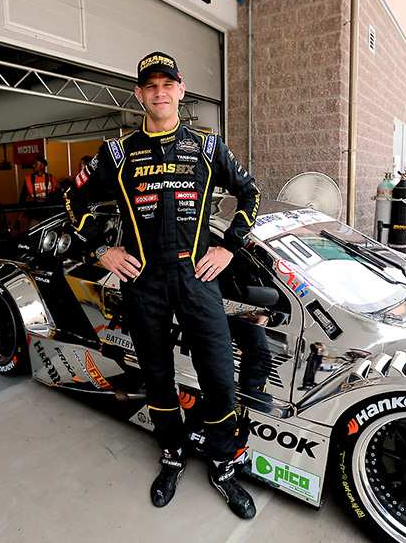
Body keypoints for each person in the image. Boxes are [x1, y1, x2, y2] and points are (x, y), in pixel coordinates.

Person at [65, 51, 261, 519]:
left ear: (181, 90)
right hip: (143, 280)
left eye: (167, 84)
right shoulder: (118, 152)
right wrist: (102, 250)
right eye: (150, 86)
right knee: (157, 377)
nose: (159, 92)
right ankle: (172, 454)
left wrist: (229, 247)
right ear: (139, 94)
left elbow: (250, 192)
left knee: (219, 378)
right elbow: (74, 198)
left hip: (197, 277)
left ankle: (222, 464)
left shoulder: (209, 148)